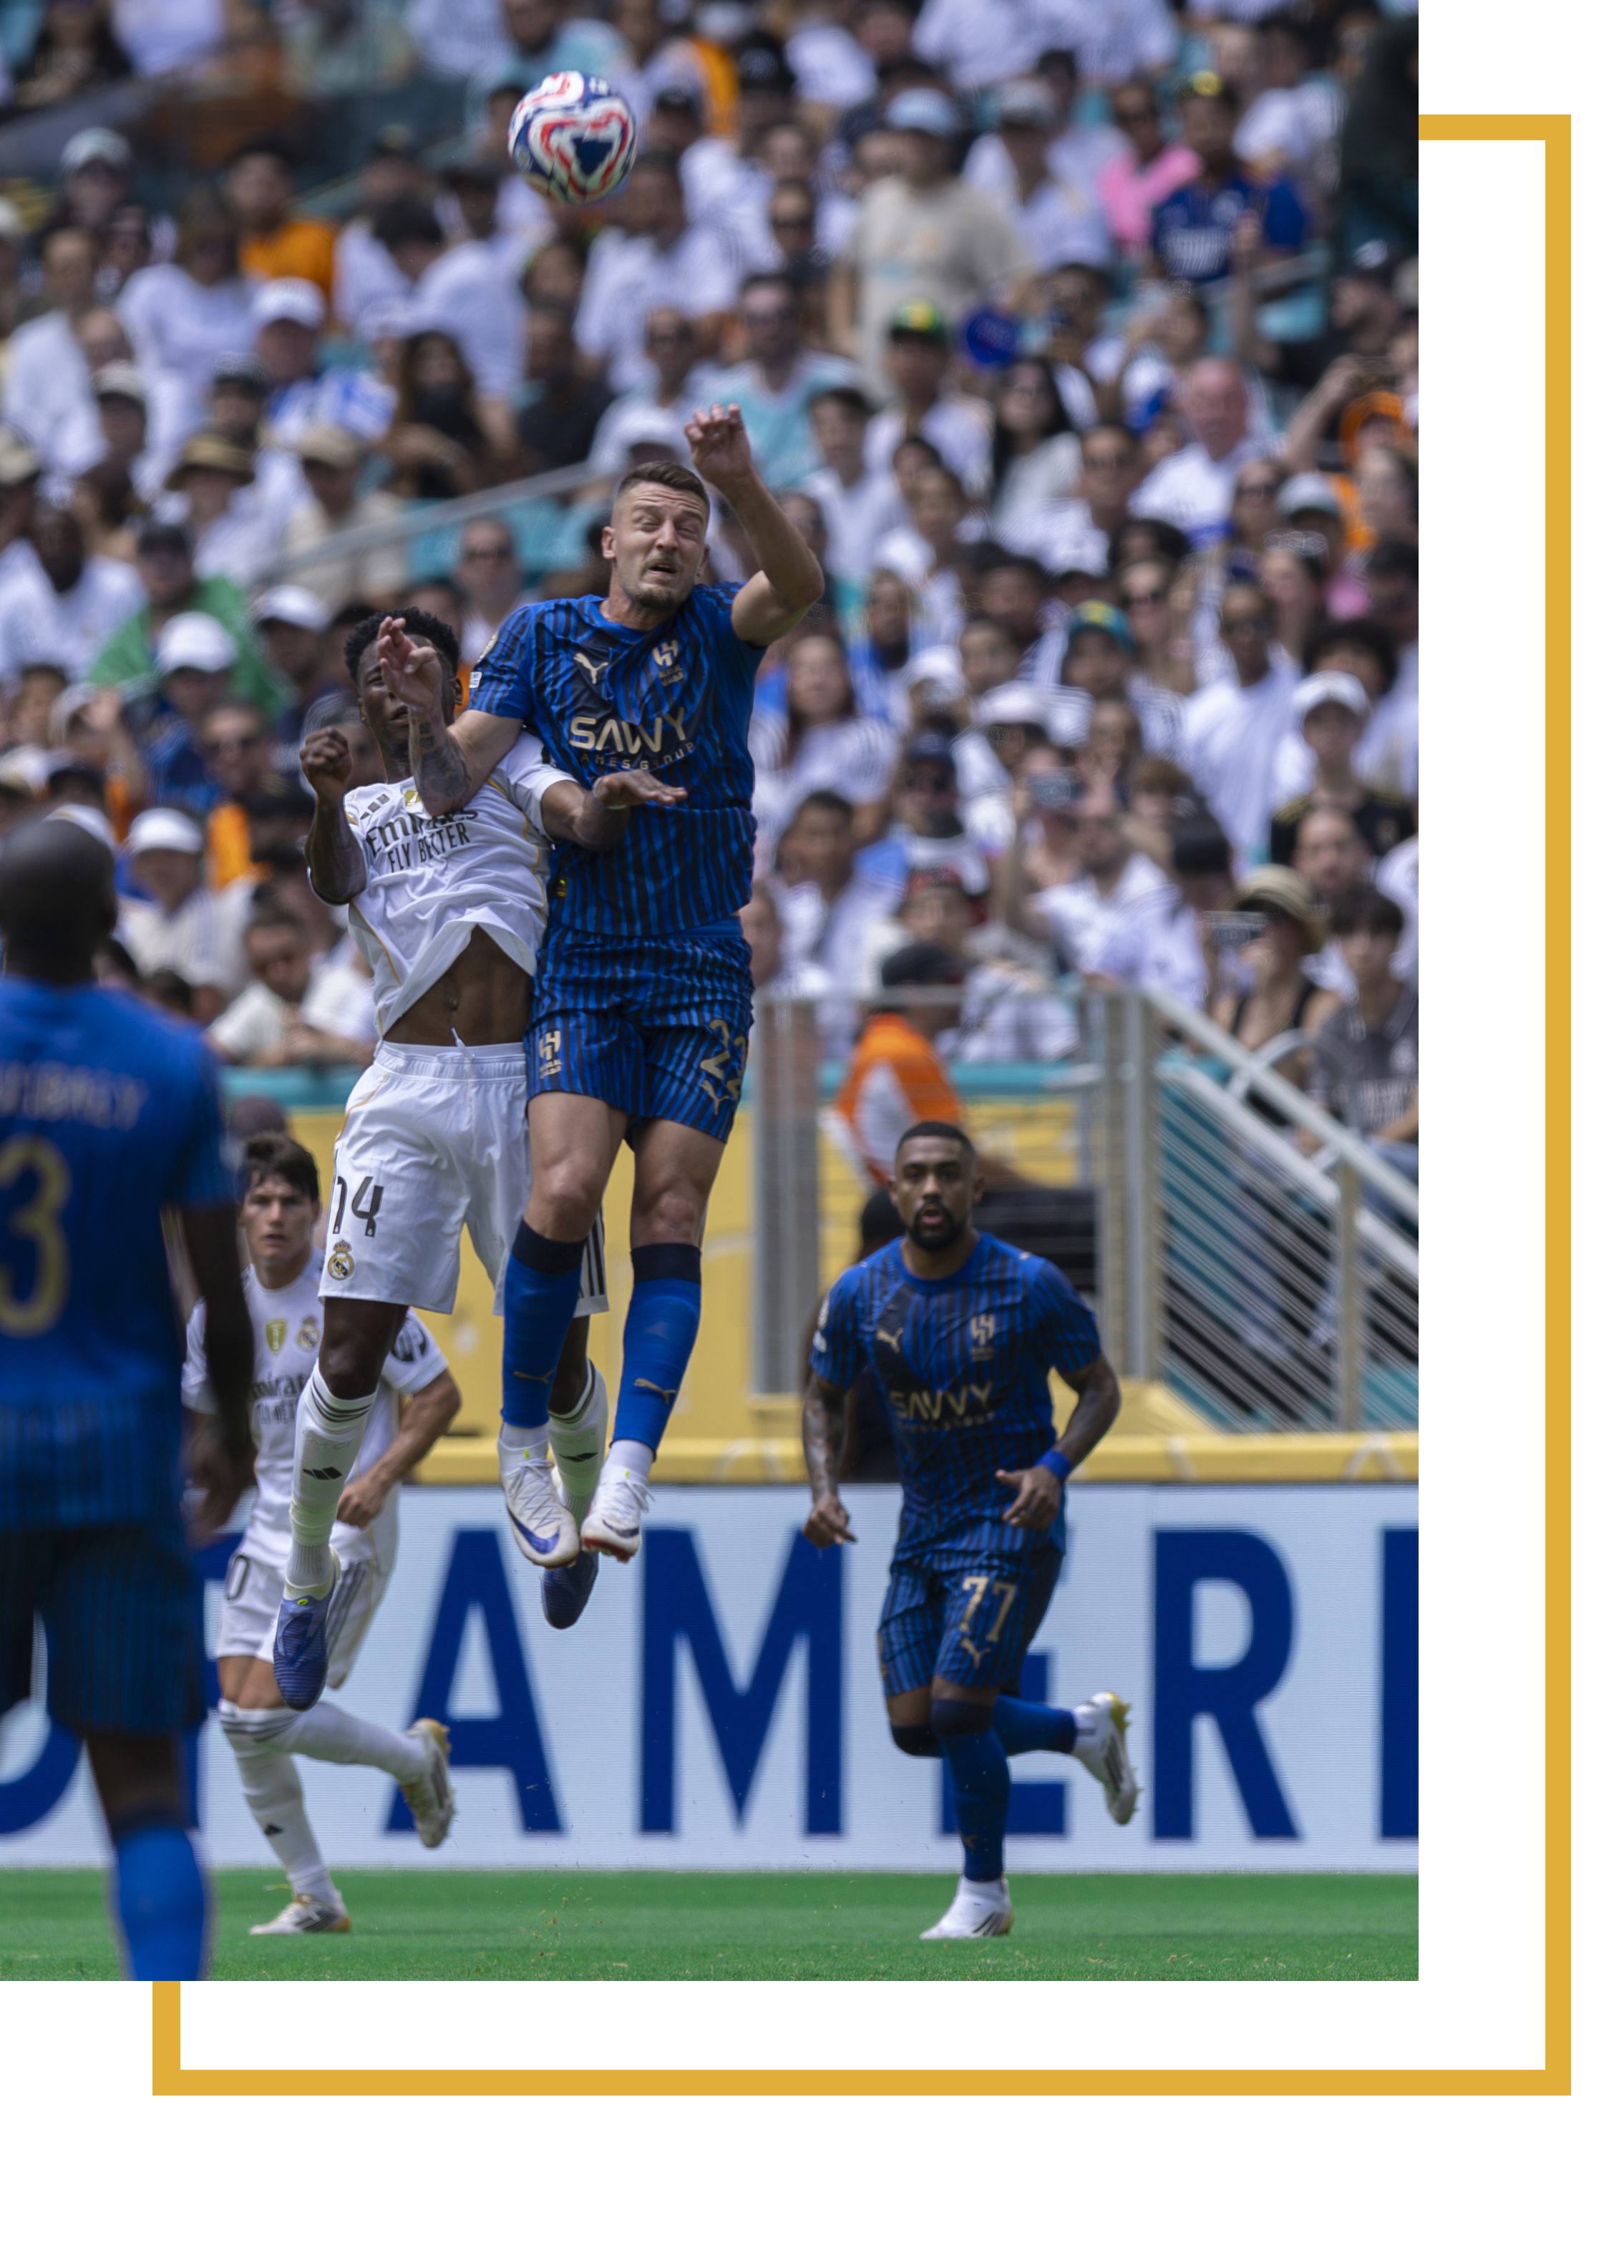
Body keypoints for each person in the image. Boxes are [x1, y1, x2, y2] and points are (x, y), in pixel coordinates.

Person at [383, 413, 823, 1570]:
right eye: (650, 522)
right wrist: (425, 716)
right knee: (566, 1189)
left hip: (699, 960)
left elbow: (800, 586)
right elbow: (445, 788)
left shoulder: (721, 626)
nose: (670, 539)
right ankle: (521, 1437)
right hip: (583, 956)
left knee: (669, 1214)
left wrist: (741, 482)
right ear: (608, 540)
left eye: (688, 525)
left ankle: (627, 1464)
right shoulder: (542, 633)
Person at [267, 605, 686, 1691]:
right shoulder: (361, 807)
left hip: (526, 1088)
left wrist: (606, 802)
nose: (392, 687)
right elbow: (334, 883)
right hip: (403, 1090)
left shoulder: (514, 764)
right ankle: (304, 1581)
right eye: (376, 677)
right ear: (362, 701)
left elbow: (582, 824)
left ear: (456, 686)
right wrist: (324, 801)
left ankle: (579, 1520)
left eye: (414, 669)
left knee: (560, 1364)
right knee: (347, 1360)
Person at [0, 815, 253, 1979]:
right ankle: (171, 2043)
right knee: (143, 1780)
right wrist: (234, 1431)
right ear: (113, 920)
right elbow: (220, 1287)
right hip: (118, 1443)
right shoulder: (171, 1061)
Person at [802, 1120, 1133, 1942]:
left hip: (1009, 1518)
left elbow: (1099, 1388)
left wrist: (1052, 1468)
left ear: (975, 1188)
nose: (931, 1188)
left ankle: (984, 1894)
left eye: (948, 1174)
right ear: (893, 1190)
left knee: (957, 1711)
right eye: (915, 1174)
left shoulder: (1029, 1283)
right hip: (921, 1532)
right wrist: (824, 1490)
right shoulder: (860, 1292)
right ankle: (1081, 1731)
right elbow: (821, 1394)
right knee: (916, 1727)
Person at [185, 1132, 460, 1936]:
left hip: (344, 1532)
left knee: (265, 1714)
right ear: (242, 1213)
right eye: (260, 1201)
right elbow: (205, 1427)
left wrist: (380, 1475)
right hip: (267, 1525)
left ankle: (413, 1763)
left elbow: (439, 1394)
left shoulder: (353, 1296)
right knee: (239, 1720)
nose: (274, 1216)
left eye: (290, 1202)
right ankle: (318, 1896)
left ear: (316, 1212)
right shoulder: (219, 1315)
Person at [835, 89, 1033, 391]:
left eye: (930, 138)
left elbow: (1023, 279)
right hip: (877, 378)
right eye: (909, 136)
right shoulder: (876, 199)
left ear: (948, 145)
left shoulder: (975, 207)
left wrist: (979, 350)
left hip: (945, 384)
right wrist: (843, 334)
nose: (918, 146)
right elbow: (844, 271)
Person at [1148, 72, 1307, 290]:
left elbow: (1292, 273)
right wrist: (1183, 302)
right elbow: (1154, 274)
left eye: (1214, 119)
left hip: (1251, 308)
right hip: (1187, 310)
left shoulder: (1270, 189)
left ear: (1235, 118)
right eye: (1193, 122)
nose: (1205, 131)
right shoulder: (1175, 199)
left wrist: (1253, 262)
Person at [1180, 581, 1298, 871]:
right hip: (1226, 864)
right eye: (1236, 627)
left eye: (1257, 624)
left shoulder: (1301, 693)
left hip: (1293, 857)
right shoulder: (1200, 712)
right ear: (1221, 635)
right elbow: (1194, 794)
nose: (1247, 635)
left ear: (1274, 627)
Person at [1309, 885, 1418, 1159]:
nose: (1363, 947)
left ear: (1397, 941)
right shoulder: (1334, 1026)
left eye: (1376, 933)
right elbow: (1316, 1111)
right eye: (1349, 934)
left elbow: (1419, 1118)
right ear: (1337, 945)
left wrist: (1356, 1156)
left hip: (1409, 1162)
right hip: (1348, 1159)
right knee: (1260, 1156)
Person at [1270, 671, 1413, 869]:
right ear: (1304, 734)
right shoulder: (1286, 821)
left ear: (1361, 729)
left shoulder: (1395, 810)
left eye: (1342, 721)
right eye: (1319, 722)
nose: (1331, 732)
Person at [118, 804, 246, 1019]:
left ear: (196, 859)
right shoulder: (146, 919)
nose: (159, 867)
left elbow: (205, 1007)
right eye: (148, 857)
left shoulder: (211, 915)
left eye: (170, 855)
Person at [1129, 357, 1264, 549]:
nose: (1216, 414)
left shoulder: (1271, 460)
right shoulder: (1172, 472)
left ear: (1247, 403)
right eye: (1204, 402)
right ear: (1188, 408)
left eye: (1228, 401)